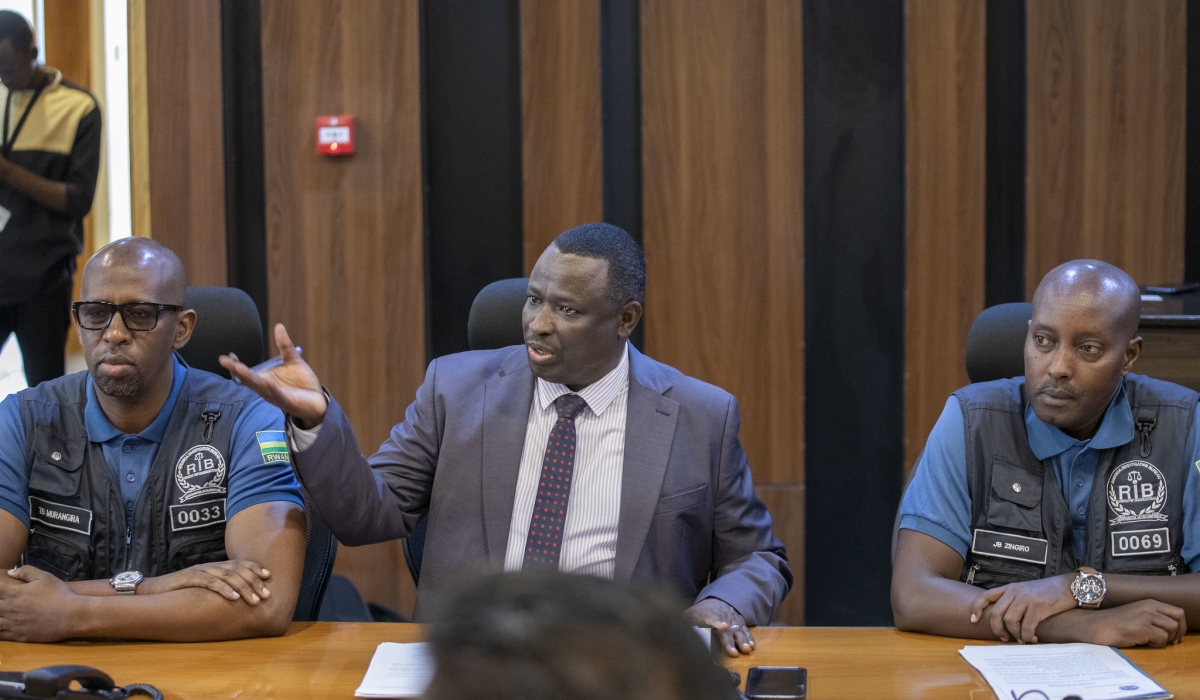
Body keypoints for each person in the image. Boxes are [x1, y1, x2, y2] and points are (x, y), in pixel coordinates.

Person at [222, 222, 791, 656]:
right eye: (533, 299)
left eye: (566, 309)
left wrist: (721, 604)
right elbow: (368, 514)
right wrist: (317, 418)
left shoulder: (700, 414)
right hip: (474, 664)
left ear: (625, 319)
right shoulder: (455, 388)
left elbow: (759, 557)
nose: (537, 324)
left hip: (619, 666)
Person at [0, 237, 307, 642]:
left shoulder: (248, 419)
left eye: (139, 314)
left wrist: (73, 612)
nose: (114, 334)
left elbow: (267, 602)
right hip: (64, 676)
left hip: (207, 677)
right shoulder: (23, 419)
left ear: (182, 329)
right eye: (96, 313)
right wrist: (151, 586)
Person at [893, 259, 1200, 648]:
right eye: (1044, 340)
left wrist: (1081, 587)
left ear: (1129, 356)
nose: (1057, 367)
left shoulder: (1186, 425)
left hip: (1152, 671)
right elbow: (914, 596)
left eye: (1088, 348)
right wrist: (1081, 627)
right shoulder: (971, 421)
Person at [423, 569, 739, 700]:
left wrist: (720, 603)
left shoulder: (705, 429)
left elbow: (755, 553)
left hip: (631, 647)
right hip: (486, 649)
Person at [0, 10, 101, 386]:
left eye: (9, 69)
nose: (4, 80)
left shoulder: (79, 109)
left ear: (33, 52)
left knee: (45, 393)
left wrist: (10, 172)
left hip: (42, 277)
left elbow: (79, 200)